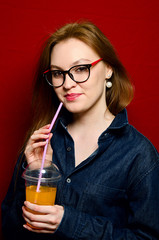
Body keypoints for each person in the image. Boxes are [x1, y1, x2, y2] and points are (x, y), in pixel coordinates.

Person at [2, 21, 159, 240]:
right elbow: (10, 230)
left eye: (80, 69)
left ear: (108, 69)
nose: (67, 84)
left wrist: (69, 222)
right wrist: (38, 173)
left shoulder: (139, 155)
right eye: (58, 73)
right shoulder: (42, 142)